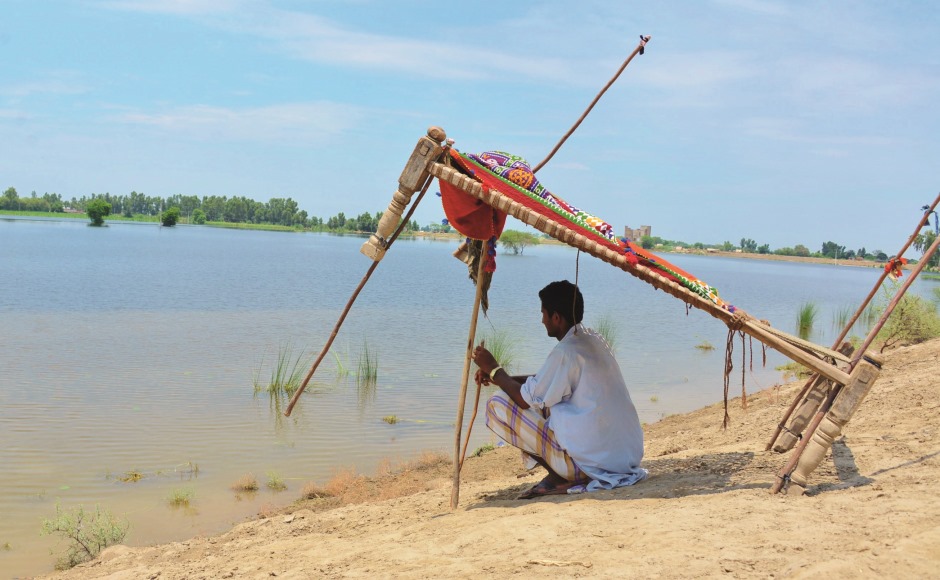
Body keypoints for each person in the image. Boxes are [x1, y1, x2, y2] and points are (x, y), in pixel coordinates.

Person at [472, 280, 646, 498]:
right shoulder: (593, 339)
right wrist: (499, 376)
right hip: (624, 458)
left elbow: (526, 399)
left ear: (556, 317)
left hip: (593, 465)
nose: (542, 320)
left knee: (497, 404)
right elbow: (545, 382)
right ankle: (565, 469)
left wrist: (495, 369)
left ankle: (560, 475)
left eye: (543, 313)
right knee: (536, 399)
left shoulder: (566, 351)